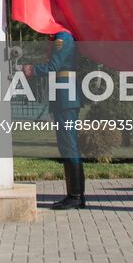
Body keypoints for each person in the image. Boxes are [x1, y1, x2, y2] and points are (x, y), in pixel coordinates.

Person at [24, 30, 85, 210]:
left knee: (69, 145)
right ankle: (76, 195)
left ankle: (75, 196)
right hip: (62, 97)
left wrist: (32, 69)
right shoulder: (60, 37)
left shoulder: (63, 38)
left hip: (65, 98)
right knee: (67, 145)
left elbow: (53, 67)